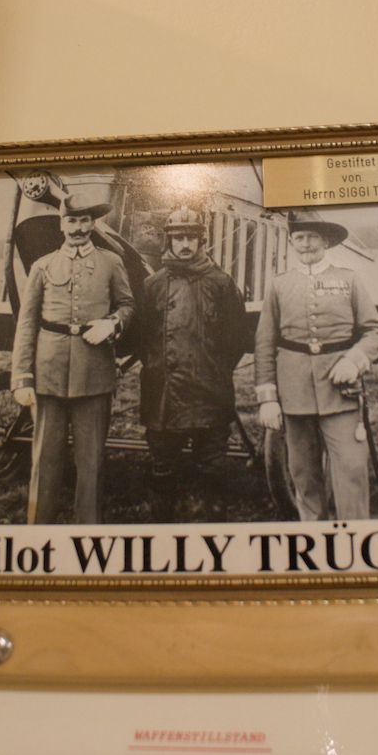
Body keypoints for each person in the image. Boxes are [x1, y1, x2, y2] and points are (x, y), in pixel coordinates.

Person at [10, 193, 135, 523]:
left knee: (91, 460)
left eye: (84, 221)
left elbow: (128, 305)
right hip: (48, 374)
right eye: (71, 221)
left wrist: (112, 323)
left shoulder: (112, 262)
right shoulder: (43, 266)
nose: (78, 228)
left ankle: (87, 529)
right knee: (45, 458)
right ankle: (38, 529)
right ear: (61, 224)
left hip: (94, 374)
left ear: (93, 224)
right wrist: (22, 377)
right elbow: (27, 325)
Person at [254, 210, 378, 520]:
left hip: (341, 394)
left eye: (312, 236)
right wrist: (268, 399)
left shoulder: (349, 280)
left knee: (351, 470)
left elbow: (375, 331)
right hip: (294, 395)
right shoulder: (278, 285)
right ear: (291, 242)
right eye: (298, 238)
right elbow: (264, 343)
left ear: (326, 240)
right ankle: (315, 537)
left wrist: (354, 361)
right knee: (303, 473)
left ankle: (355, 541)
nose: (306, 244)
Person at [138, 206, 249, 520]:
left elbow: (238, 338)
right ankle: (162, 520)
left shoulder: (221, 283)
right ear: (169, 241)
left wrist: (213, 368)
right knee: (162, 467)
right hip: (162, 394)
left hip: (209, 392)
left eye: (191, 238)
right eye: (179, 238)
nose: (185, 244)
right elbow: (143, 338)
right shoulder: (153, 286)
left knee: (211, 466)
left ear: (201, 241)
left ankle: (212, 520)